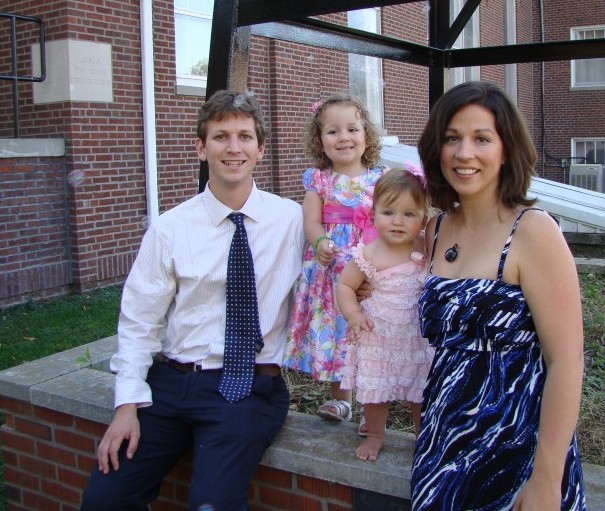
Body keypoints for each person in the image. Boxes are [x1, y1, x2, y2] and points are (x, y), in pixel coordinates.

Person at [80, 90, 305, 511]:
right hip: (168, 386)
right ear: (201, 147)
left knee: (212, 505)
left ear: (261, 148)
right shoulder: (170, 229)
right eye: (220, 136)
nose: (233, 148)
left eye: (244, 136)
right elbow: (138, 322)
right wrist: (127, 404)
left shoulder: (293, 220)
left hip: (247, 386)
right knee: (105, 499)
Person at [411, 81, 586, 511]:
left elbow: (566, 361)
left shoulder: (533, 230)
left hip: (516, 449)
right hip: (442, 444)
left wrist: (547, 478)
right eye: (451, 138)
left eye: (481, 139)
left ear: (506, 150)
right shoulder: (434, 230)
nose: (463, 153)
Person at [284, 93, 384, 427]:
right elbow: (310, 220)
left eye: (352, 129)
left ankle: (375, 404)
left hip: (367, 271)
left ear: (366, 135)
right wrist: (321, 240)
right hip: (329, 273)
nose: (344, 137)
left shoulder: (380, 180)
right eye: (333, 131)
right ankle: (341, 400)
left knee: (368, 332)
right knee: (337, 330)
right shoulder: (319, 180)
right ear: (320, 140)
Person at [335, 167, 434, 462]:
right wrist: (353, 315)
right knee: (376, 391)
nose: (397, 221)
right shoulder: (369, 253)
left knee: (421, 390)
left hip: (416, 336)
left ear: (423, 219)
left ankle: (424, 437)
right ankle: (376, 434)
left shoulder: (427, 247)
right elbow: (345, 286)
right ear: (373, 214)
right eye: (389, 212)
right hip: (378, 335)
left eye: (409, 214)